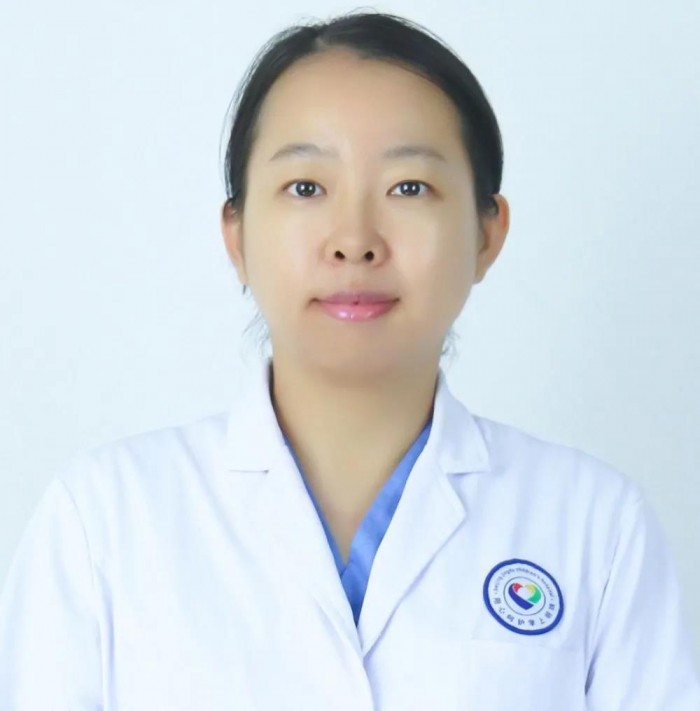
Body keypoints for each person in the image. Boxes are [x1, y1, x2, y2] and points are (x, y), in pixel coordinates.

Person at [1, 9, 699, 710]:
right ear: (236, 235)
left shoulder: (594, 524)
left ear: (487, 235)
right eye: (306, 187)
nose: (355, 239)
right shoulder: (102, 521)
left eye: (409, 188)